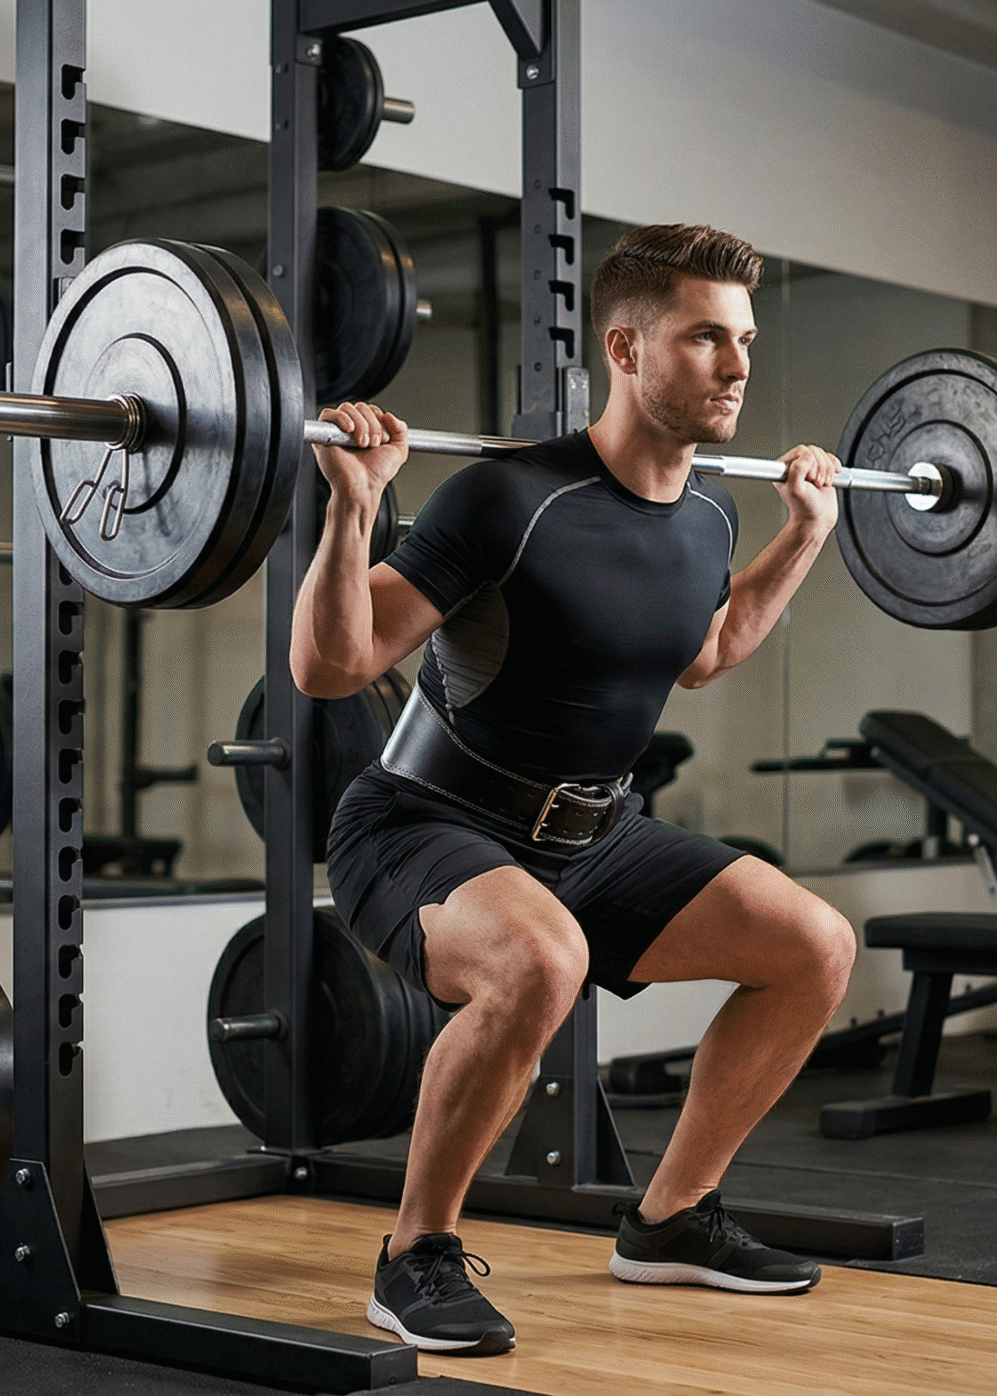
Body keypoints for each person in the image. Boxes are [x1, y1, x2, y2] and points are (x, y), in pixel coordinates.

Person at [298, 224, 856, 1356]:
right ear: (627, 347)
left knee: (814, 945)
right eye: (706, 337)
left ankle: (668, 1220)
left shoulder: (709, 512)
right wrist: (354, 507)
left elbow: (702, 650)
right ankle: (413, 1257)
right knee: (539, 958)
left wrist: (806, 536)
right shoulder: (506, 499)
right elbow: (331, 668)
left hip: (594, 835)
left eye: (743, 338)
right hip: (421, 825)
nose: (738, 364)